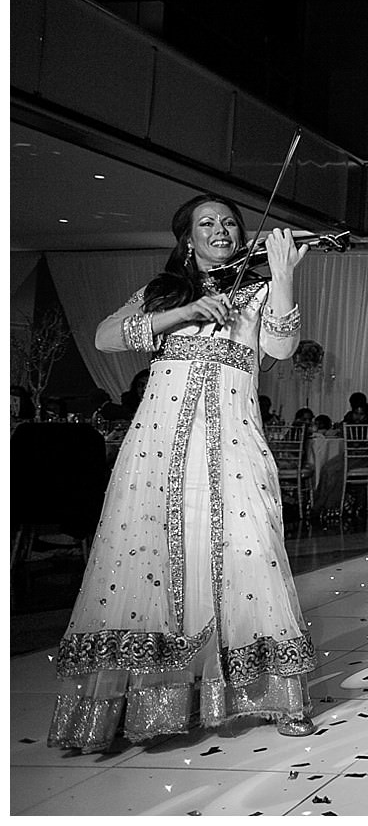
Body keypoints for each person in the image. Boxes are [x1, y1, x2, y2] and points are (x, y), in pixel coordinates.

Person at [49, 193, 317, 753]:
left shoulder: (256, 288)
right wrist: (185, 312)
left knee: (248, 549)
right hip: (159, 447)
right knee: (150, 557)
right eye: (207, 222)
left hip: (234, 442)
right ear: (186, 239)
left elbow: (283, 346)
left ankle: (274, 692)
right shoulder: (161, 293)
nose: (220, 228)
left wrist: (285, 275)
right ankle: (143, 701)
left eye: (229, 222)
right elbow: (104, 337)